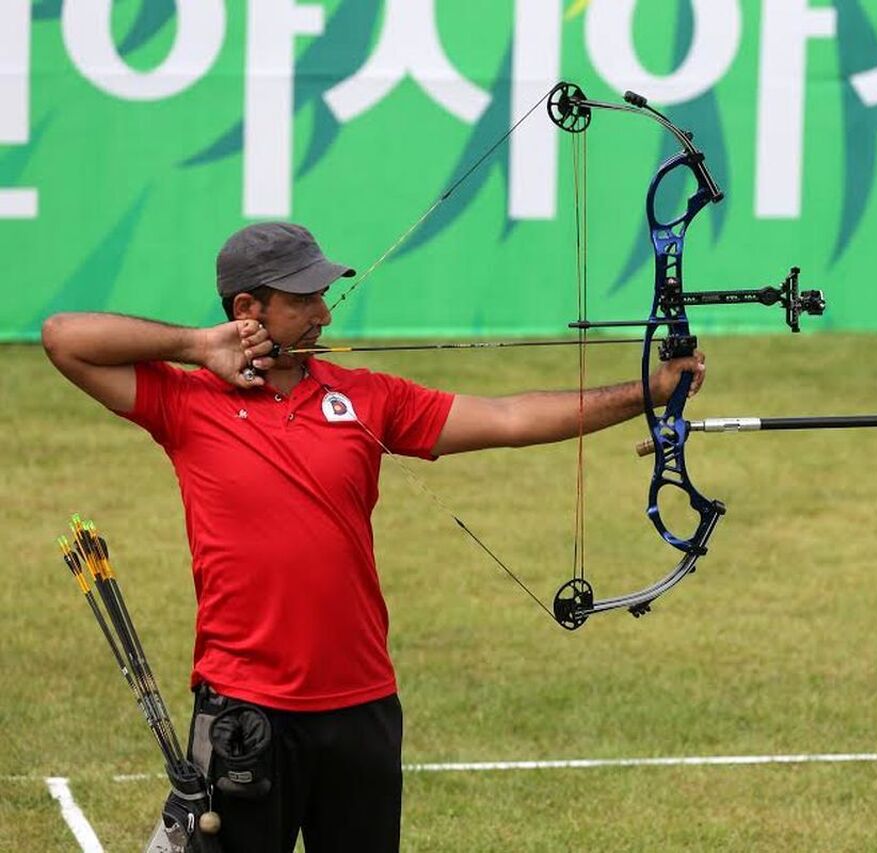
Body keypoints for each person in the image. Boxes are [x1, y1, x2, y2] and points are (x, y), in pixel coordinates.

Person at [41, 222, 706, 852]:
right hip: (245, 709)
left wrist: (651, 391)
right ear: (248, 309)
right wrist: (196, 345)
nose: (324, 314)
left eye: (323, 295)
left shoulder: (368, 397)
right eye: (304, 299)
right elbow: (64, 337)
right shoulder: (186, 402)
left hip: (361, 705)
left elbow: (509, 417)